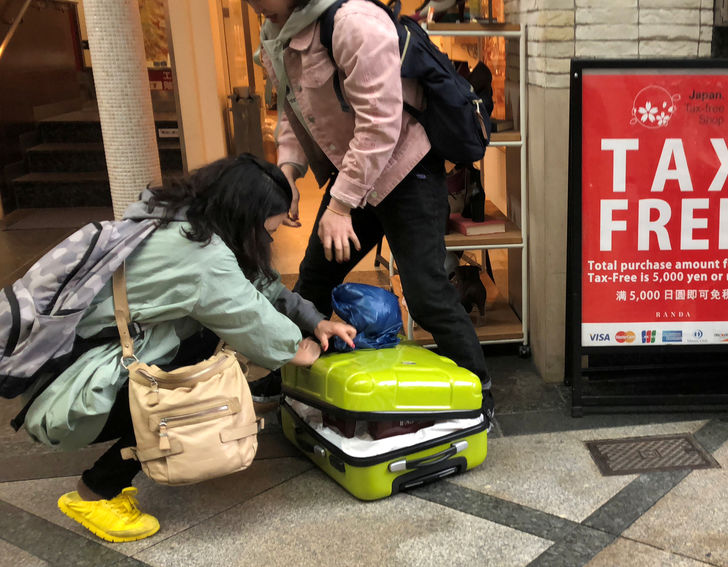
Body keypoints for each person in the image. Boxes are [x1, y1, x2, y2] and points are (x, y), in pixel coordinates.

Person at [22, 154, 356, 542]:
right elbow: (250, 316)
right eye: (269, 231)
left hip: (72, 355)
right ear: (244, 215)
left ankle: (134, 452)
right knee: (197, 378)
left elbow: (256, 282)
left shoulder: (179, 215)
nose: (269, 240)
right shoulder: (200, 256)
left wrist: (314, 319)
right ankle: (97, 492)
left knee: (205, 344)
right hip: (77, 381)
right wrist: (303, 348)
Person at [248, 0, 493, 412]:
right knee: (314, 282)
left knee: (427, 293)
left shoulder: (354, 24)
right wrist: (288, 169)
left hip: (405, 168)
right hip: (355, 172)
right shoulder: (277, 32)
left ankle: (478, 392)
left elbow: (381, 124)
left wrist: (340, 206)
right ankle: (290, 371)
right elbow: (293, 109)